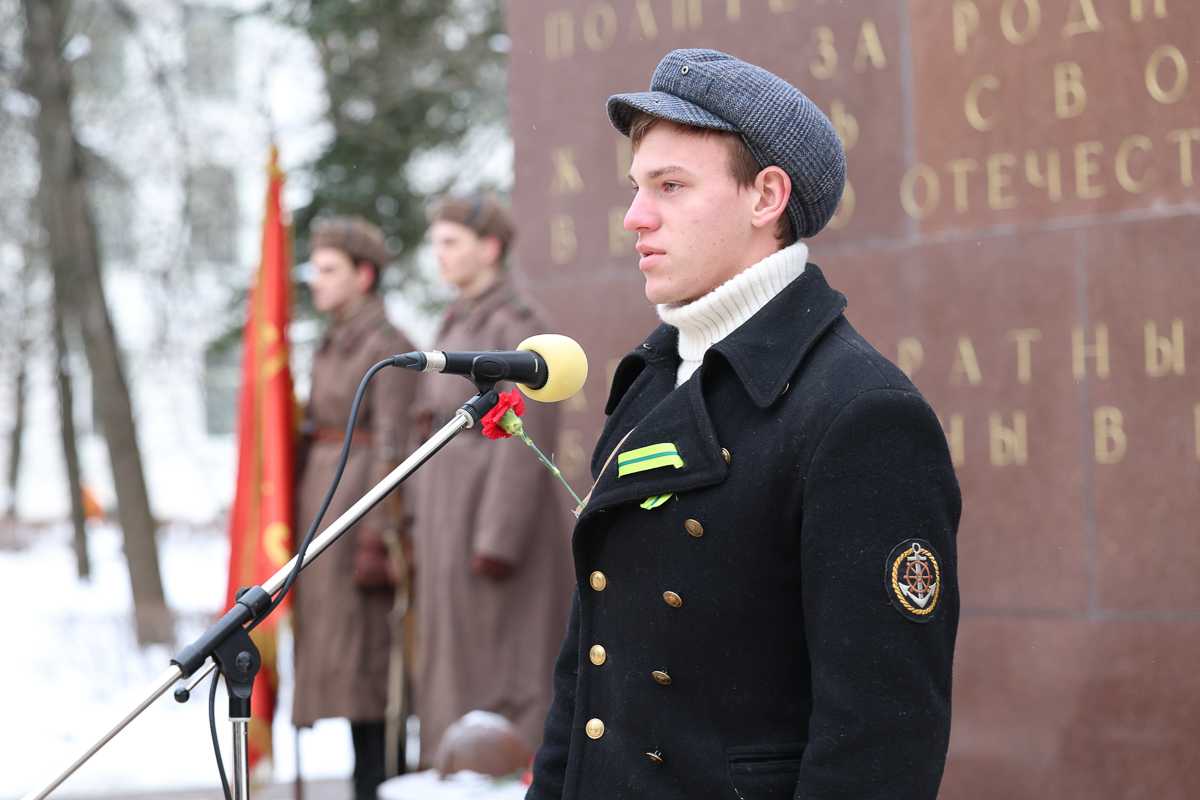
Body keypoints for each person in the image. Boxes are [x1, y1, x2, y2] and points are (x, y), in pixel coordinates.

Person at [527, 50, 961, 799]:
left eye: (670, 187)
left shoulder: (862, 414)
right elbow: (590, 676)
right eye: (637, 188)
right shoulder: (653, 381)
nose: (635, 217)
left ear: (766, 196)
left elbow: (881, 741)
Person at [408, 193, 574, 767]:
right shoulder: (454, 318)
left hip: (492, 530)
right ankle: (459, 771)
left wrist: (497, 537)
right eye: (435, 244)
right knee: (457, 666)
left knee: (507, 666)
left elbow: (530, 434)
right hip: (447, 523)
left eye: (450, 243)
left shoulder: (520, 325)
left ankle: (508, 775)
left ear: (491, 247)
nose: (440, 256)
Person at [292, 215, 418, 800]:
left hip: (356, 521)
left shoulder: (385, 344)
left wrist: (378, 534)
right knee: (343, 674)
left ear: (363, 275)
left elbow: (392, 446)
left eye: (328, 270)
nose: (314, 281)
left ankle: (382, 788)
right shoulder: (329, 340)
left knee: (371, 676)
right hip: (321, 515)